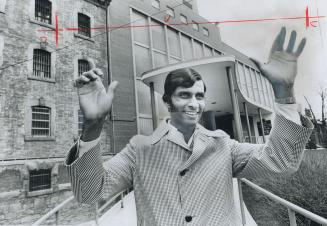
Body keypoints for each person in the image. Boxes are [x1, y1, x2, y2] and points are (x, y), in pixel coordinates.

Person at [65, 27, 313, 225]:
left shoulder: (223, 145)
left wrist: (285, 93)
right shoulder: (139, 151)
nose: (194, 103)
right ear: (167, 101)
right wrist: (93, 126)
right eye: (184, 95)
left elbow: (281, 161)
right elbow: (88, 193)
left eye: (199, 96)